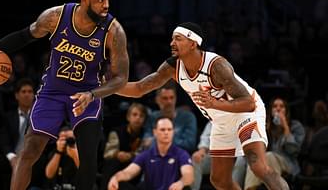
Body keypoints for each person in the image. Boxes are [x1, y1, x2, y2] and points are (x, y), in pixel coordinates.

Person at [0, 0, 129, 190]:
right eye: (100, 0)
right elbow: (24, 36)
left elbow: (121, 78)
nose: (106, 5)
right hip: (53, 92)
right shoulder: (56, 16)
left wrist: (92, 95)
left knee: (89, 159)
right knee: (28, 151)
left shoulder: (114, 32)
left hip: (87, 94)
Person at [116, 22, 289, 190]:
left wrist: (214, 103)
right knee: (220, 180)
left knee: (257, 165)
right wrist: (107, 86)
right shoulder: (172, 66)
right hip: (221, 120)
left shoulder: (216, 66)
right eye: (172, 39)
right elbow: (139, 88)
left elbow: (248, 103)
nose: (172, 43)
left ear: (193, 43)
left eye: (178, 39)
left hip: (245, 112)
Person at [108, 116, 194, 190]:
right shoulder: (146, 155)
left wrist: (181, 183)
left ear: (173, 132)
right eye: (162, 130)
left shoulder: (181, 154)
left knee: (186, 188)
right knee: (120, 184)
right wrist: (115, 178)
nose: (166, 132)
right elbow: (128, 173)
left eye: (169, 129)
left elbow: (188, 175)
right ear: (155, 132)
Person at [244, 97, 305, 190]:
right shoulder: (267, 127)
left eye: (282, 106)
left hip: (289, 164)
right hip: (268, 163)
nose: (278, 109)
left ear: (287, 111)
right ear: (271, 111)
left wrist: (285, 126)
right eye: (275, 106)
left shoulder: (296, 126)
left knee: (269, 156)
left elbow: (293, 151)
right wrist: (265, 132)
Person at [100, 102, 147, 190]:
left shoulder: (145, 134)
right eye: (135, 114)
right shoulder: (117, 132)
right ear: (128, 117)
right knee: (112, 162)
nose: (138, 118)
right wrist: (117, 154)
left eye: (141, 116)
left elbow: (145, 153)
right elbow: (107, 153)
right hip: (118, 166)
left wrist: (131, 155)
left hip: (135, 167)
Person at [142, 83, 197, 153]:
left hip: (180, 157)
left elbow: (189, 144)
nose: (169, 102)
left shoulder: (188, 117)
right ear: (157, 100)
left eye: (172, 97)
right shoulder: (152, 117)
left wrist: (157, 139)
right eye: (165, 98)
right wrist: (174, 138)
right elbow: (146, 143)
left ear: (176, 98)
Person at [191, 121, 247, 190]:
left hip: (236, 154)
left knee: (240, 161)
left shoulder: (243, 119)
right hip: (216, 154)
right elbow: (206, 137)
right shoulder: (216, 118)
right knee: (196, 159)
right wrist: (202, 150)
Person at [45, 126, 79, 190]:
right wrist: (58, 152)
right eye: (64, 139)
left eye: (70, 139)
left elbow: (86, 172)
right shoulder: (54, 153)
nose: (67, 141)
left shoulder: (82, 152)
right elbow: (49, 174)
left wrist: (74, 154)